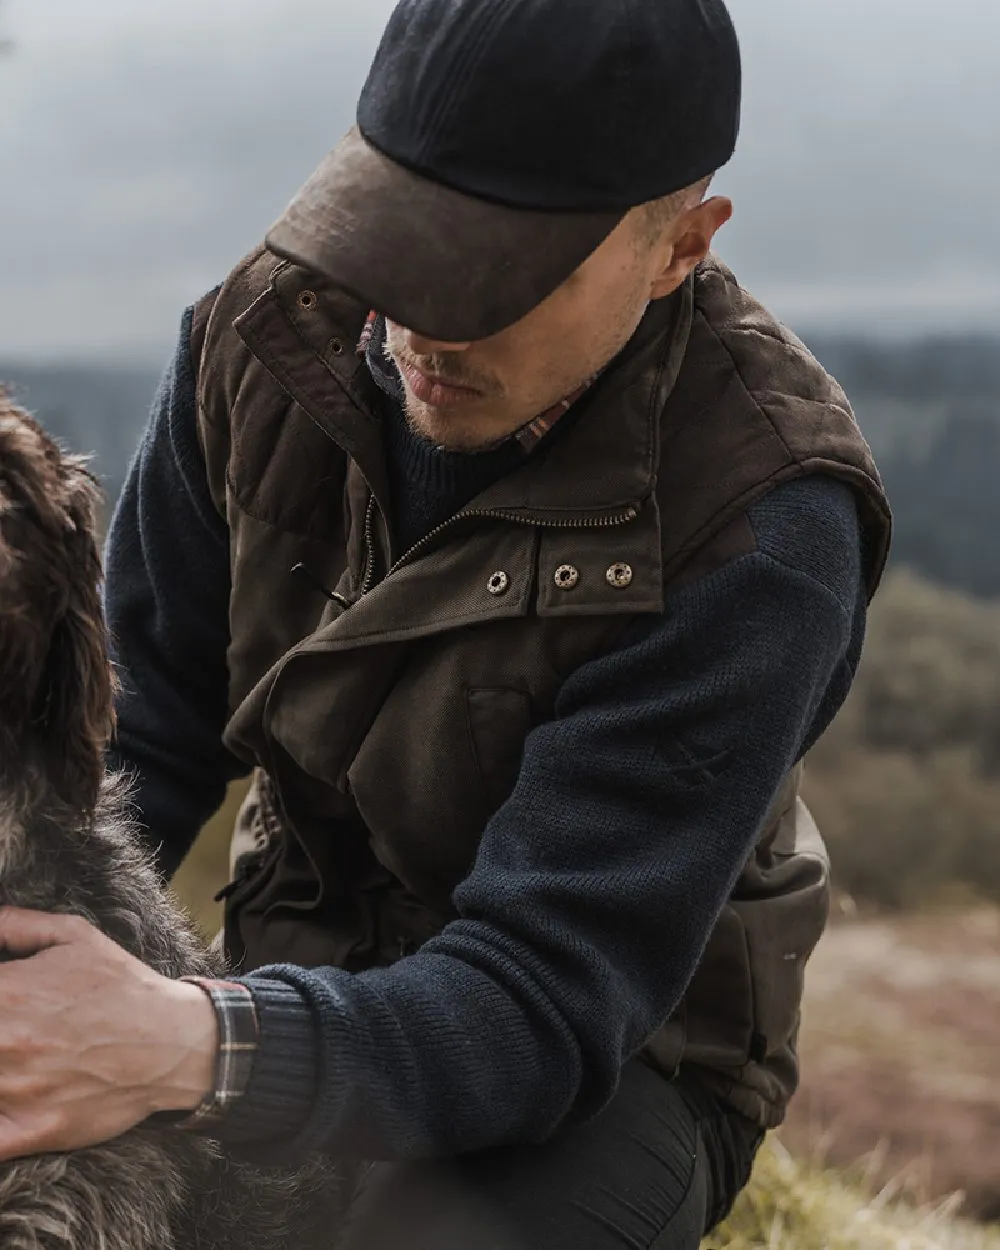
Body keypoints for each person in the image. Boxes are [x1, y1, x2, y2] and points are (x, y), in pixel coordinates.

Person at [0, 0, 891, 1245]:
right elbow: (123, 747)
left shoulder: (765, 527)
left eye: (502, 275)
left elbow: (542, 997)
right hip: (285, 957)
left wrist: (184, 1045)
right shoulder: (260, 344)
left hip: (604, 1056)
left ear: (680, 243)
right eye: (399, 235)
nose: (423, 323)